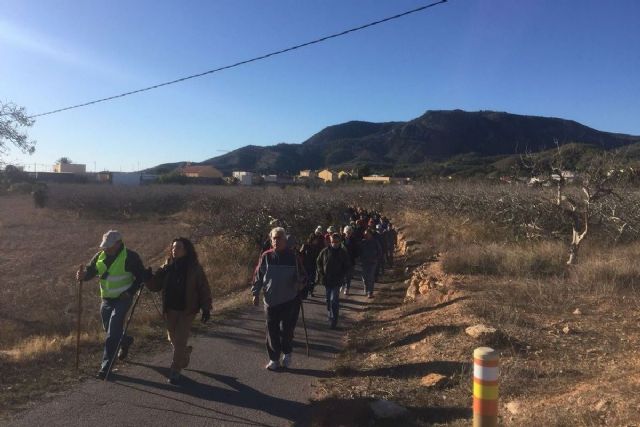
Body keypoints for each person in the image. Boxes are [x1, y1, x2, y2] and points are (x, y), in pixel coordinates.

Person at [75, 230, 150, 379]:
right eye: (105, 245)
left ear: (118, 244)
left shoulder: (130, 257)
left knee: (113, 330)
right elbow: (91, 271)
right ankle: (126, 340)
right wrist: (83, 276)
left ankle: (106, 367)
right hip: (107, 299)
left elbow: (141, 276)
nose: (106, 248)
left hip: (123, 298)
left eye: (109, 245)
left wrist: (130, 292)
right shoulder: (100, 255)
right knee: (108, 328)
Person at [146, 237, 212, 385]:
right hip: (170, 308)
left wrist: (206, 308)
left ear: (186, 250)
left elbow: (203, 288)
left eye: (179, 248)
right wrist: (148, 277)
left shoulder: (194, 267)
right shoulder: (168, 265)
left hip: (187, 309)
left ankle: (175, 370)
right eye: (173, 247)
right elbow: (155, 286)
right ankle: (184, 353)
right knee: (172, 337)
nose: (175, 250)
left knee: (181, 339)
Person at [251, 227, 306, 371]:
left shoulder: (293, 256)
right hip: (270, 300)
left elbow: (303, 275)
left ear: (285, 240)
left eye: (279, 238)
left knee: (286, 331)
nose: (276, 241)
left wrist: (300, 282)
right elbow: (258, 275)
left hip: (289, 300)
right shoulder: (266, 256)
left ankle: (287, 353)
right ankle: (274, 358)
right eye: (274, 238)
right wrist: (255, 293)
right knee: (271, 331)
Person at [316, 233, 351, 329]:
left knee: (333, 300)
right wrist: (321, 273)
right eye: (332, 242)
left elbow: (347, 266)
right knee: (328, 300)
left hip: (337, 280)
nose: (334, 244)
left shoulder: (343, 253)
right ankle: (329, 314)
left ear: (339, 242)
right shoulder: (325, 251)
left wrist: (342, 276)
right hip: (327, 279)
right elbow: (318, 262)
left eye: (336, 242)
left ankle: (334, 319)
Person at [359, 228, 382, 298]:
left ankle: (370, 292)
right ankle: (366, 288)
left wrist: (376, 258)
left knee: (371, 277)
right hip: (364, 262)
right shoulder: (363, 242)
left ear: (370, 234)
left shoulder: (375, 242)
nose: (365, 235)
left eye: (367, 234)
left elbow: (379, 251)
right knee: (364, 277)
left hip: (372, 262)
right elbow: (359, 251)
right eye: (364, 234)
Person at [299, 233, 324, 297]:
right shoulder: (305, 245)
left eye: (317, 240)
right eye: (315, 240)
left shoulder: (317, 247)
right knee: (305, 279)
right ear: (312, 239)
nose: (316, 241)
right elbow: (300, 253)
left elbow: (319, 256)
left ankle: (311, 291)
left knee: (312, 279)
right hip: (305, 265)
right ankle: (304, 292)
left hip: (313, 265)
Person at [341, 225, 359, 295]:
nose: (348, 233)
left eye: (349, 232)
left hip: (350, 260)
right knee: (342, 275)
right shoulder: (341, 239)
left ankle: (347, 288)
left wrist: (356, 257)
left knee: (348, 276)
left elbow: (356, 250)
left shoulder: (353, 240)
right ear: (345, 232)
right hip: (342, 260)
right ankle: (342, 284)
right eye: (347, 232)